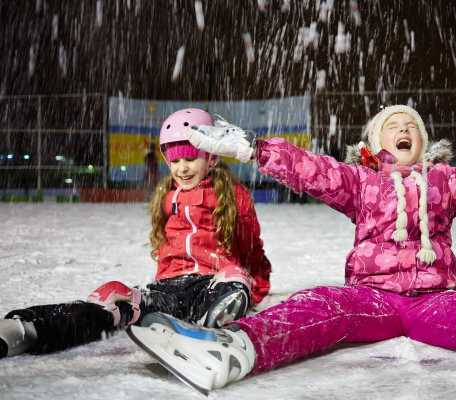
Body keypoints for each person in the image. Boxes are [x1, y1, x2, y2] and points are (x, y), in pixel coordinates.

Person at [127, 105, 456, 393]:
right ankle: (232, 350)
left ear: (421, 139)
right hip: (370, 297)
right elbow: (310, 169)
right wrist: (255, 149)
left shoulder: (446, 182)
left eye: (409, 125)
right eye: (392, 125)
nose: (403, 129)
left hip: (437, 299)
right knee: (317, 306)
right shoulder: (360, 183)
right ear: (376, 143)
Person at [0, 108, 271, 358]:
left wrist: (255, 286)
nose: (183, 168)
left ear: (211, 157)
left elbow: (250, 245)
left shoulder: (234, 195)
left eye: (191, 158)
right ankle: (30, 329)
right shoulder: (166, 195)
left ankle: (214, 325)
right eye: (175, 161)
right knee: (114, 299)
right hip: (170, 288)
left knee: (235, 279)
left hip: (214, 282)